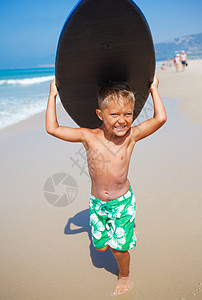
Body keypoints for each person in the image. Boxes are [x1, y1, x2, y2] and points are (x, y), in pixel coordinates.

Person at [46, 75, 167, 296]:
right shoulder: (88, 137)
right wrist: (53, 95)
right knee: (101, 247)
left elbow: (160, 119)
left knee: (119, 250)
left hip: (121, 201)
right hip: (97, 202)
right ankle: (126, 224)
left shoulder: (131, 136)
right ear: (100, 114)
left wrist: (154, 89)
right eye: (114, 114)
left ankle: (124, 275)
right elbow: (53, 129)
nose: (122, 120)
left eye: (127, 114)